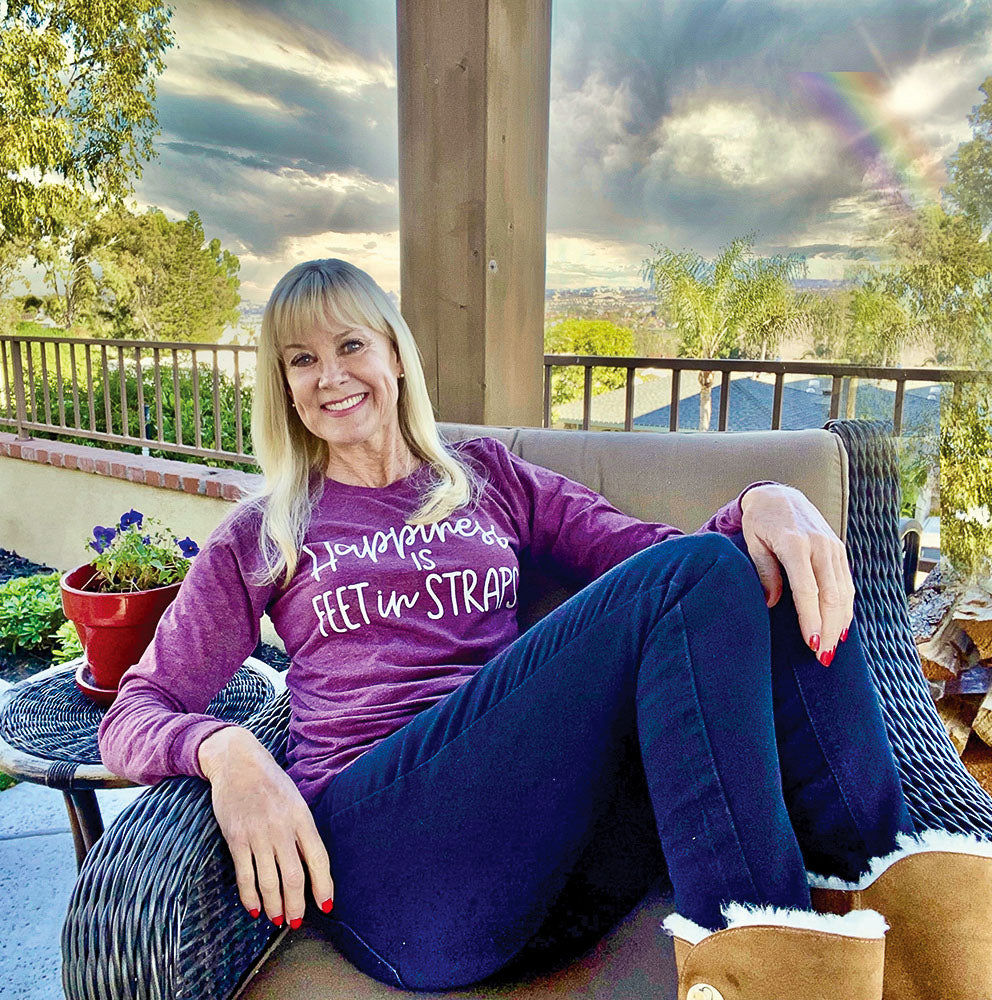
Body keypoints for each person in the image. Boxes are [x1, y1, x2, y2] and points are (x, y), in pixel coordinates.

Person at [99, 259, 992, 1000]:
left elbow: (659, 557)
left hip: (543, 870)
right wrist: (231, 755)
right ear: (282, 385)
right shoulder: (265, 531)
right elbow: (135, 708)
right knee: (708, 574)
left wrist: (774, 499)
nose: (330, 376)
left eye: (349, 345)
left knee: (761, 571)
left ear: (396, 357)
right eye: (300, 359)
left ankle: (910, 942)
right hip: (392, 868)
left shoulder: (490, 476)